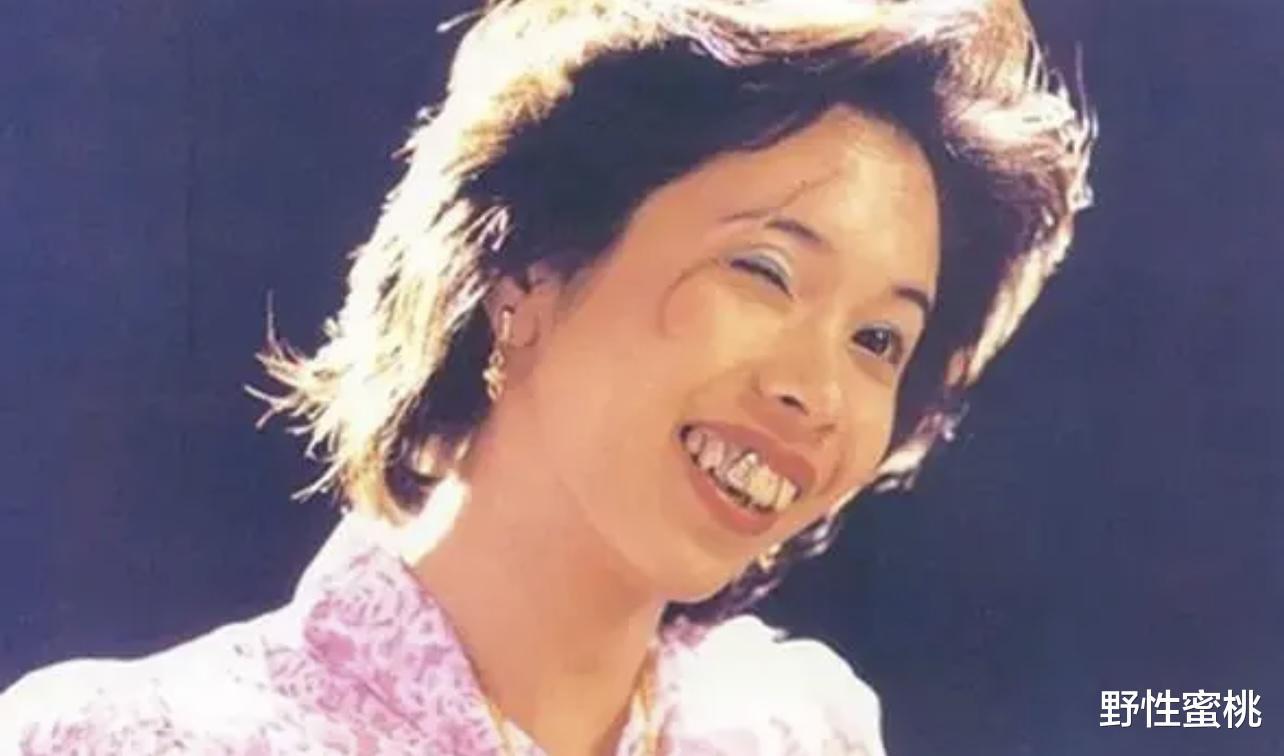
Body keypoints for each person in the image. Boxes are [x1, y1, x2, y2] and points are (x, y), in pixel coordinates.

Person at [0, 0, 1093, 753]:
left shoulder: (797, 730)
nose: (818, 390)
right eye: (764, 271)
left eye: (879, 341)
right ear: (527, 269)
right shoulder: (137, 738)